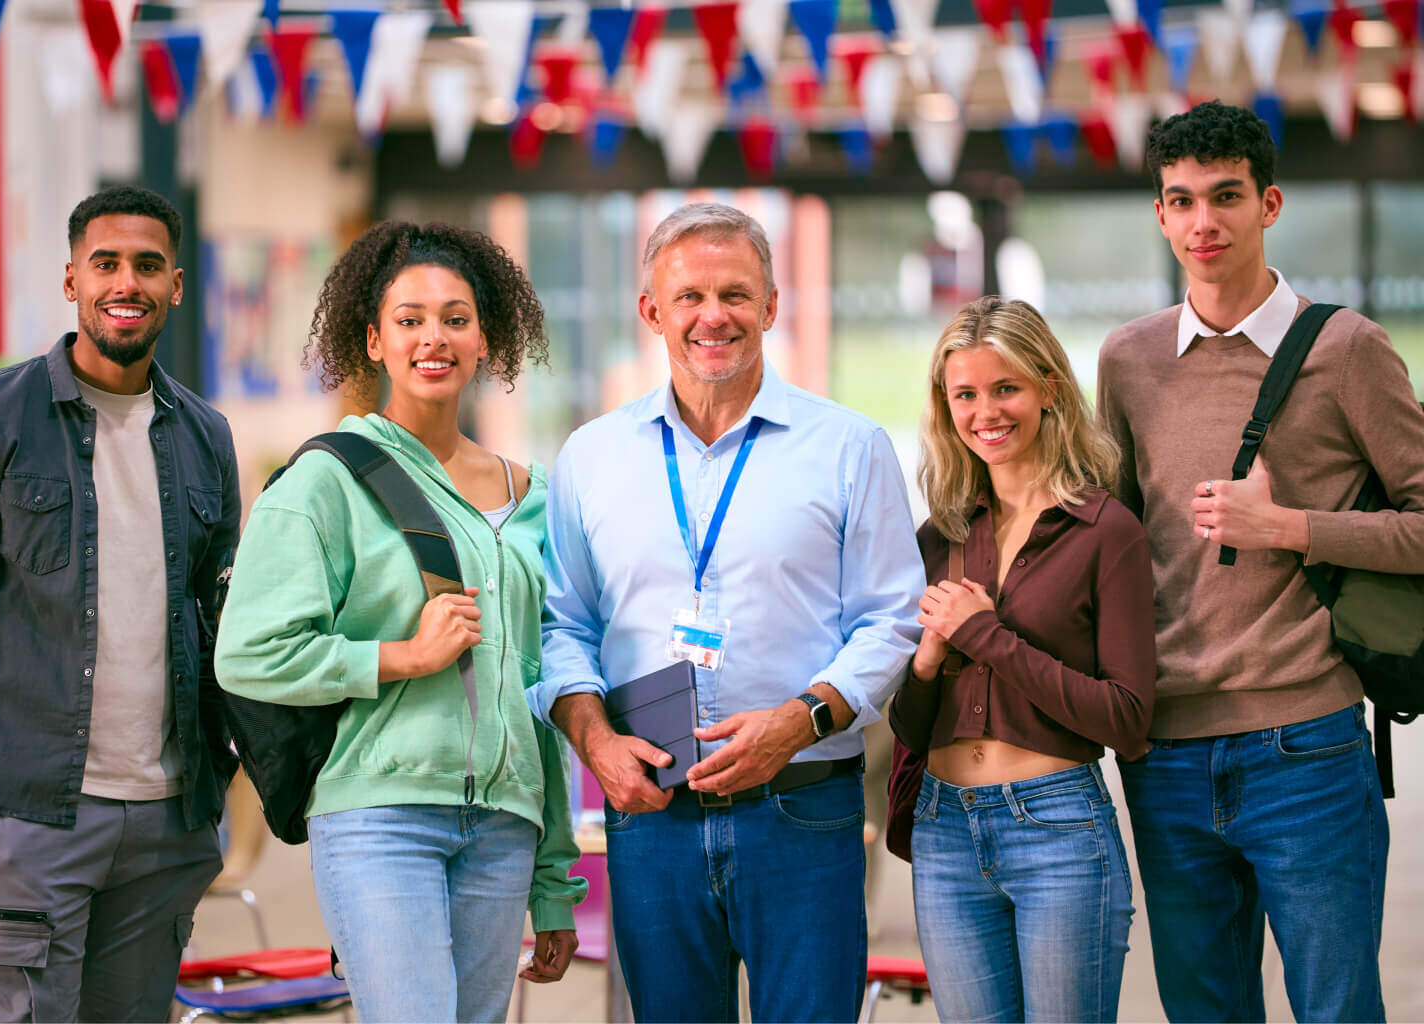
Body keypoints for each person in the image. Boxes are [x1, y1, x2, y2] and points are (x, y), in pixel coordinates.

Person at [529, 202, 923, 1022]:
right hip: (653, 817)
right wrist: (596, 743)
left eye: (736, 294)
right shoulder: (591, 458)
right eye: (690, 297)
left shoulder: (848, 448)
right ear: (652, 312)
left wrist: (800, 719)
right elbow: (561, 626)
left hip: (803, 806)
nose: (714, 316)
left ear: (771, 306)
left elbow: (892, 618)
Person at [1097, 100, 1424, 1022]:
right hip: (1165, 754)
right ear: (1161, 215)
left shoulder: (1348, 350)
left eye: (1226, 196)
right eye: (1182, 200)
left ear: (1269, 203)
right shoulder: (1127, 360)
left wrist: (1293, 527)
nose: (1203, 221)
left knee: (1337, 1010)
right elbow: (1113, 544)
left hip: (1307, 745)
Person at [214, 221, 584, 1023]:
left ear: (486, 339)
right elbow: (248, 653)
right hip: (379, 817)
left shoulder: (535, 496)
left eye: (456, 318)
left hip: (505, 825)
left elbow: (541, 691)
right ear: (374, 341)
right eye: (409, 319)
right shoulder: (326, 482)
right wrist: (401, 656)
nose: (433, 338)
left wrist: (555, 881)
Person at [0, 185, 241, 1022]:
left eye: (148, 266)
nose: (127, 282)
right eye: (106, 263)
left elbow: (220, 626)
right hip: (27, 815)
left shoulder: (206, 436)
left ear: (176, 286)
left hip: (166, 822)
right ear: (71, 280)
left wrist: (218, 783)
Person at [899, 296, 1154, 1022]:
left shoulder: (1106, 531)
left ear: (1049, 387)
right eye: (965, 395)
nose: (986, 412)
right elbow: (912, 729)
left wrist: (986, 636)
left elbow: (1128, 720)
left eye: (1005, 387)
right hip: (944, 829)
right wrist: (927, 663)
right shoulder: (940, 534)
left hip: (1058, 829)